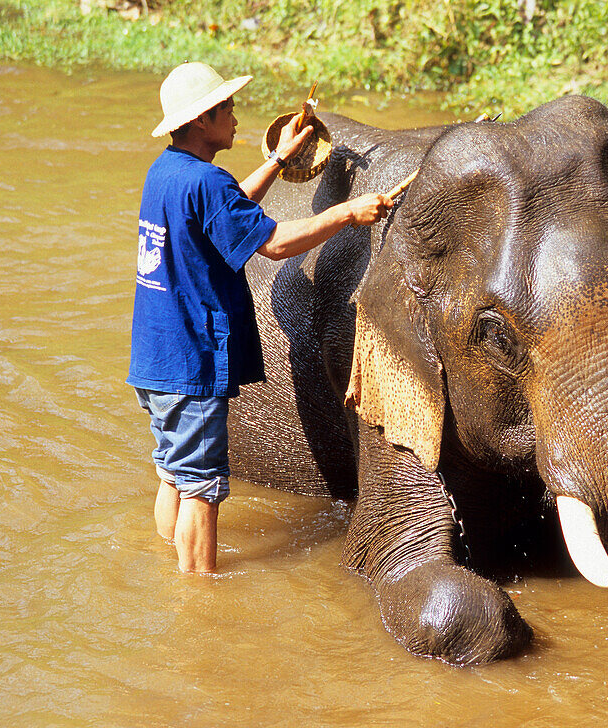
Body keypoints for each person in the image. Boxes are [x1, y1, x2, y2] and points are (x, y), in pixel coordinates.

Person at [128, 62, 393, 573]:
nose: (235, 115)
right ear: (202, 120)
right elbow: (271, 244)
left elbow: (227, 208)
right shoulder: (205, 181)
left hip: (155, 358)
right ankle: (199, 595)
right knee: (202, 489)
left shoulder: (167, 172)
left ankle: (166, 568)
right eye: (226, 108)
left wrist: (277, 159)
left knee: (173, 473)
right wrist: (346, 213)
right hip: (193, 363)